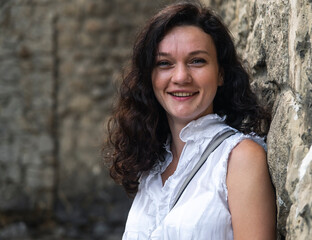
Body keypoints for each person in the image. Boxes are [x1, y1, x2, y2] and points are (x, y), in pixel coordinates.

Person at [104, 1, 276, 239]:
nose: (181, 77)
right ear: (150, 77)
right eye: (164, 63)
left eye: (197, 61)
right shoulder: (153, 168)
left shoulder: (240, 158)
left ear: (221, 73)